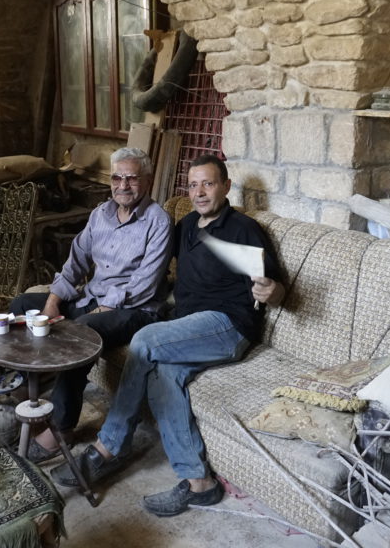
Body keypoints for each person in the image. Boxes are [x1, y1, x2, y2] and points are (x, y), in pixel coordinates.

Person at [50, 154, 285, 517]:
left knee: (144, 341)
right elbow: (146, 253)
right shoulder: (188, 226)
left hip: (228, 325)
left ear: (226, 186)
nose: (199, 192)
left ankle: (109, 447)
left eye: (208, 183)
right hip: (189, 326)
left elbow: (274, 285)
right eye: (193, 185)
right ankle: (200, 484)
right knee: (164, 377)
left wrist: (273, 291)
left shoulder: (243, 229)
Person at [9, 147, 172, 462]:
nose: (123, 185)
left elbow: (145, 285)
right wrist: (54, 301)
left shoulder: (158, 222)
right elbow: (75, 262)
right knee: (22, 303)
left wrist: (100, 309)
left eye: (132, 178)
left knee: (80, 334)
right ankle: (23, 385)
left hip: (136, 310)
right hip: (93, 298)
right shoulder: (101, 214)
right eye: (117, 177)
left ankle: (61, 427)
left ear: (148, 181)